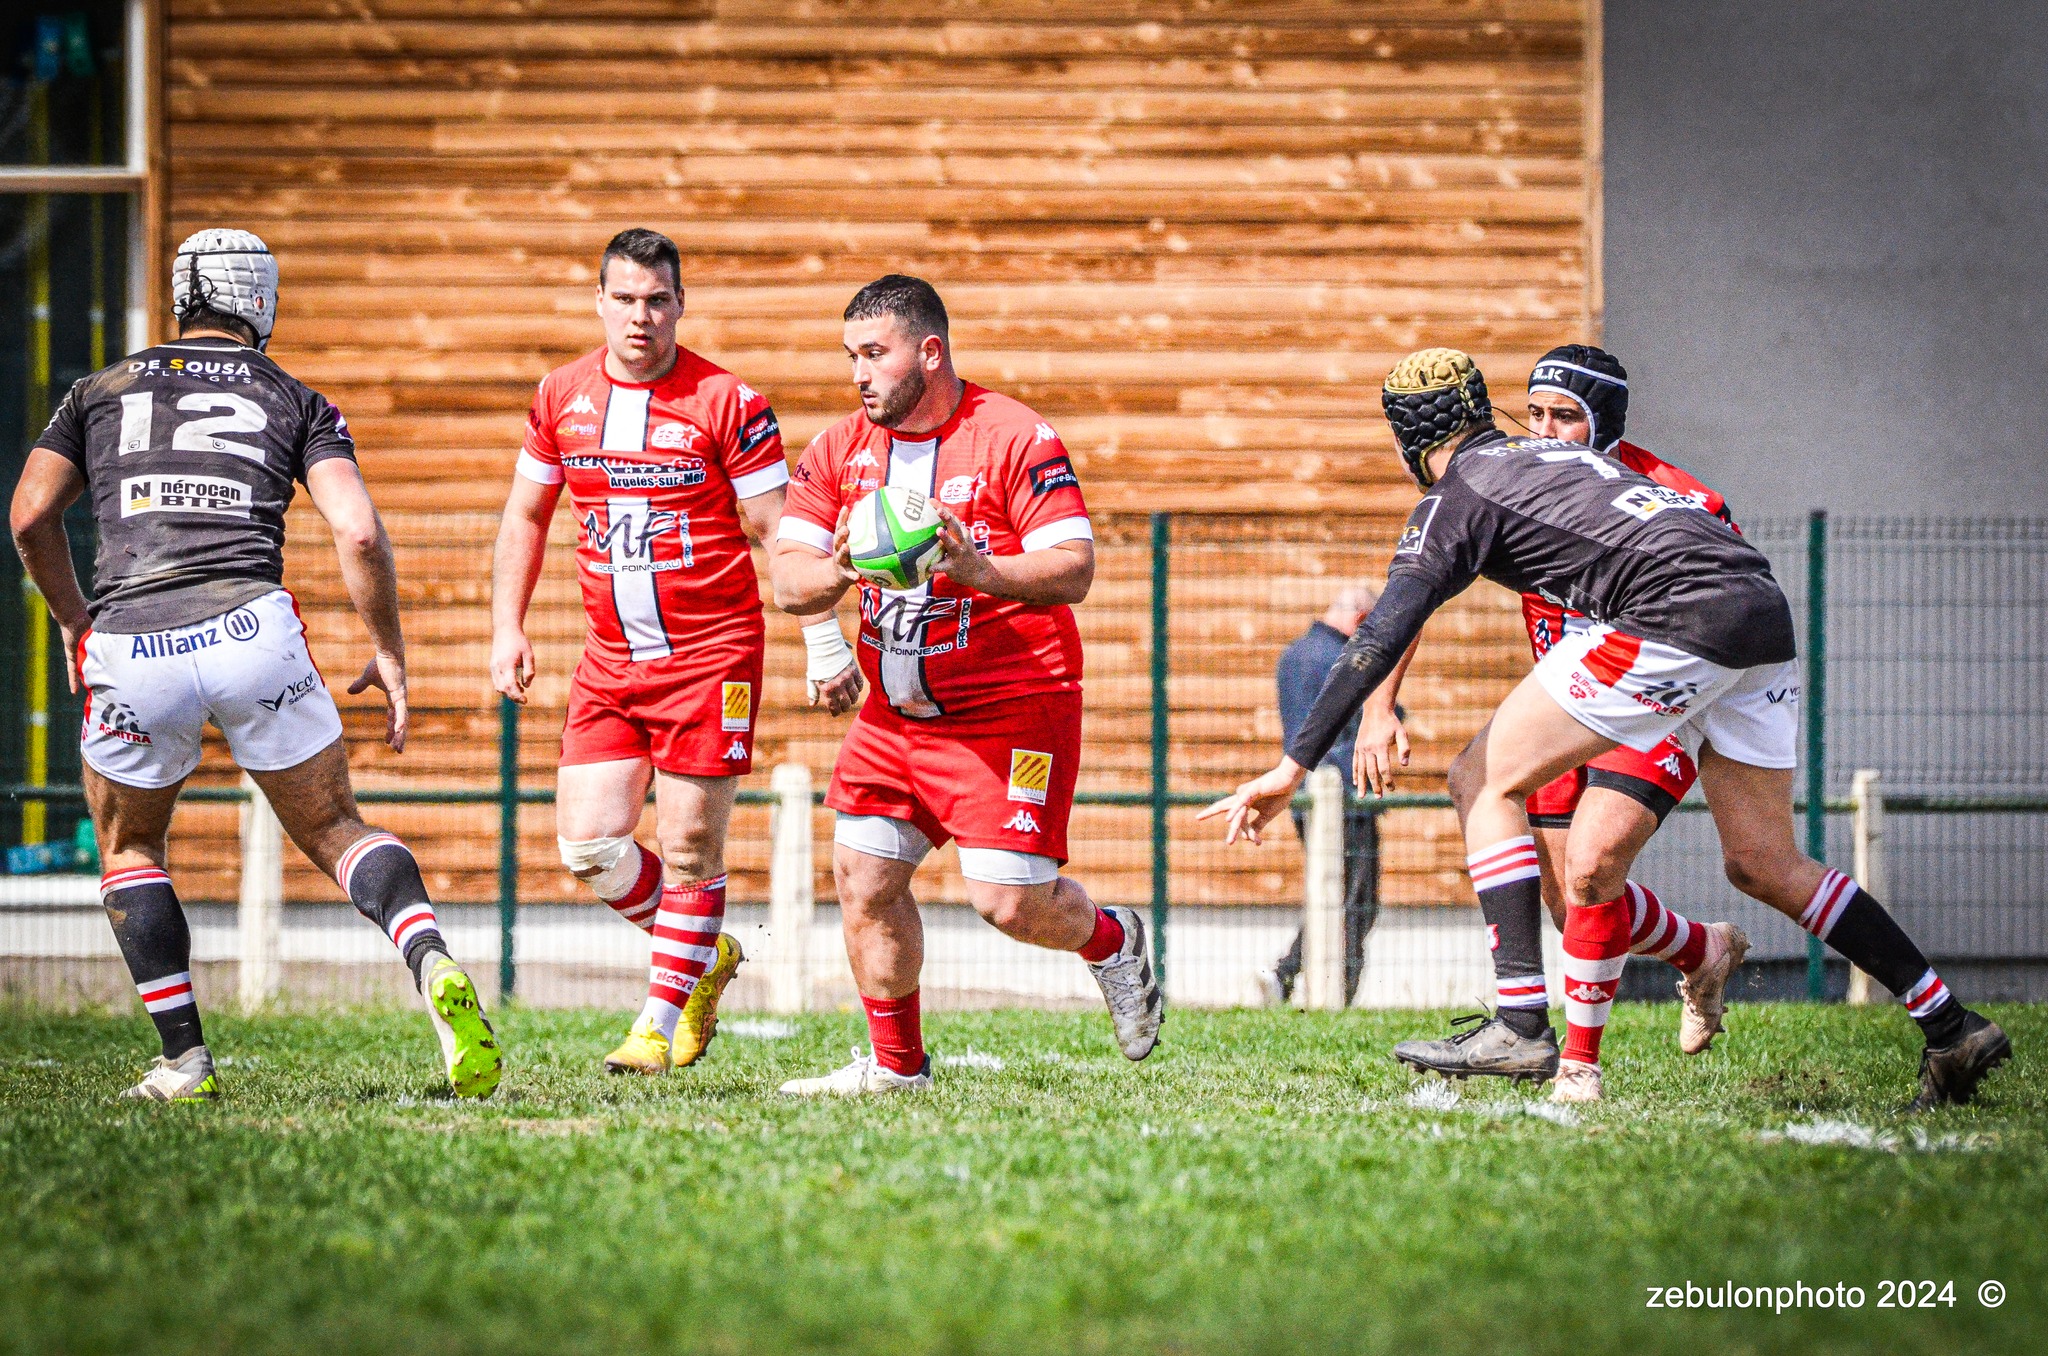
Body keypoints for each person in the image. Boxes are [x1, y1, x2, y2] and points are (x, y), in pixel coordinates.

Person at [1202, 347, 2011, 1109]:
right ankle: (1950, 1027)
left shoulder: (1454, 496)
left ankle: (1521, 1025)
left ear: (1408, 437)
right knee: (1765, 861)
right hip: (1758, 610)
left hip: (1671, 620)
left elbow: (1379, 633)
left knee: (1482, 779)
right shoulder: (1558, 458)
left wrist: (1291, 768)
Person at [9, 228, 502, 1101]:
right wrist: (387, 648)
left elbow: (29, 518)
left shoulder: (98, 389)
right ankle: (430, 964)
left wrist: (76, 619)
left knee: (129, 847)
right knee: (334, 829)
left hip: (133, 639)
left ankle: (185, 1060)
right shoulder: (294, 396)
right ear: (261, 303)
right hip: (251, 630)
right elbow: (357, 531)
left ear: (180, 297)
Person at [768, 274, 1162, 1095]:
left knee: (1011, 903)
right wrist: (844, 565)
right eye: (851, 358)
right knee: (864, 878)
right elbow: (788, 580)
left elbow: (1074, 567)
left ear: (931, 351)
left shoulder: (1014, 434)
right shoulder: (840, 450)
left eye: (875, 354)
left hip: (1011, 706)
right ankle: (898, 1068)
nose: (859, 375)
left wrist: (978, 568)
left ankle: (1113, 941)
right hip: (895, 717)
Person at [490, 228, 862, 1075]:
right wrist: (507, 625)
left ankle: (657, 1025)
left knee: (692, 848)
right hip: (609, 662)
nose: (641, 317)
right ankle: (702, 954)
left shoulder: (729, 402)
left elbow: (779, 532)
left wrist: (821, 639)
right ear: (599, 304)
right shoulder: (560, 397)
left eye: (658, 300)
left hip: (711, 657)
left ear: (680, 306)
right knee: (588, 847)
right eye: (624, 299)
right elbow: (526, 516)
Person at [1355, 345, 1748, 1082]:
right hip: (1566, 704)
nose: (1544, 430)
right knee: (1574, 909)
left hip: (1651, 697)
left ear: (1606, 420)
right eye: (1533, 413)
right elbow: (1419, 588)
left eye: (1565, 416)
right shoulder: (1520, 479)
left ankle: (1573, 1067)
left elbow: (1725, 602)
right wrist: (1379, 707)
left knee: (1595, 871)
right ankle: (1702, 949)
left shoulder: (1672, 493)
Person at [1259, 582, 1388, 1006]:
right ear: (1362, 620)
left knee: (1327, 893)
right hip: (1347, 796)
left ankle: (1286, 975)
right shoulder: (1347, 659)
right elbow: (1371, 722)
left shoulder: (1294, 654)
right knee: (1357, 902)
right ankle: (1335, 993)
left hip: (1305, 791)